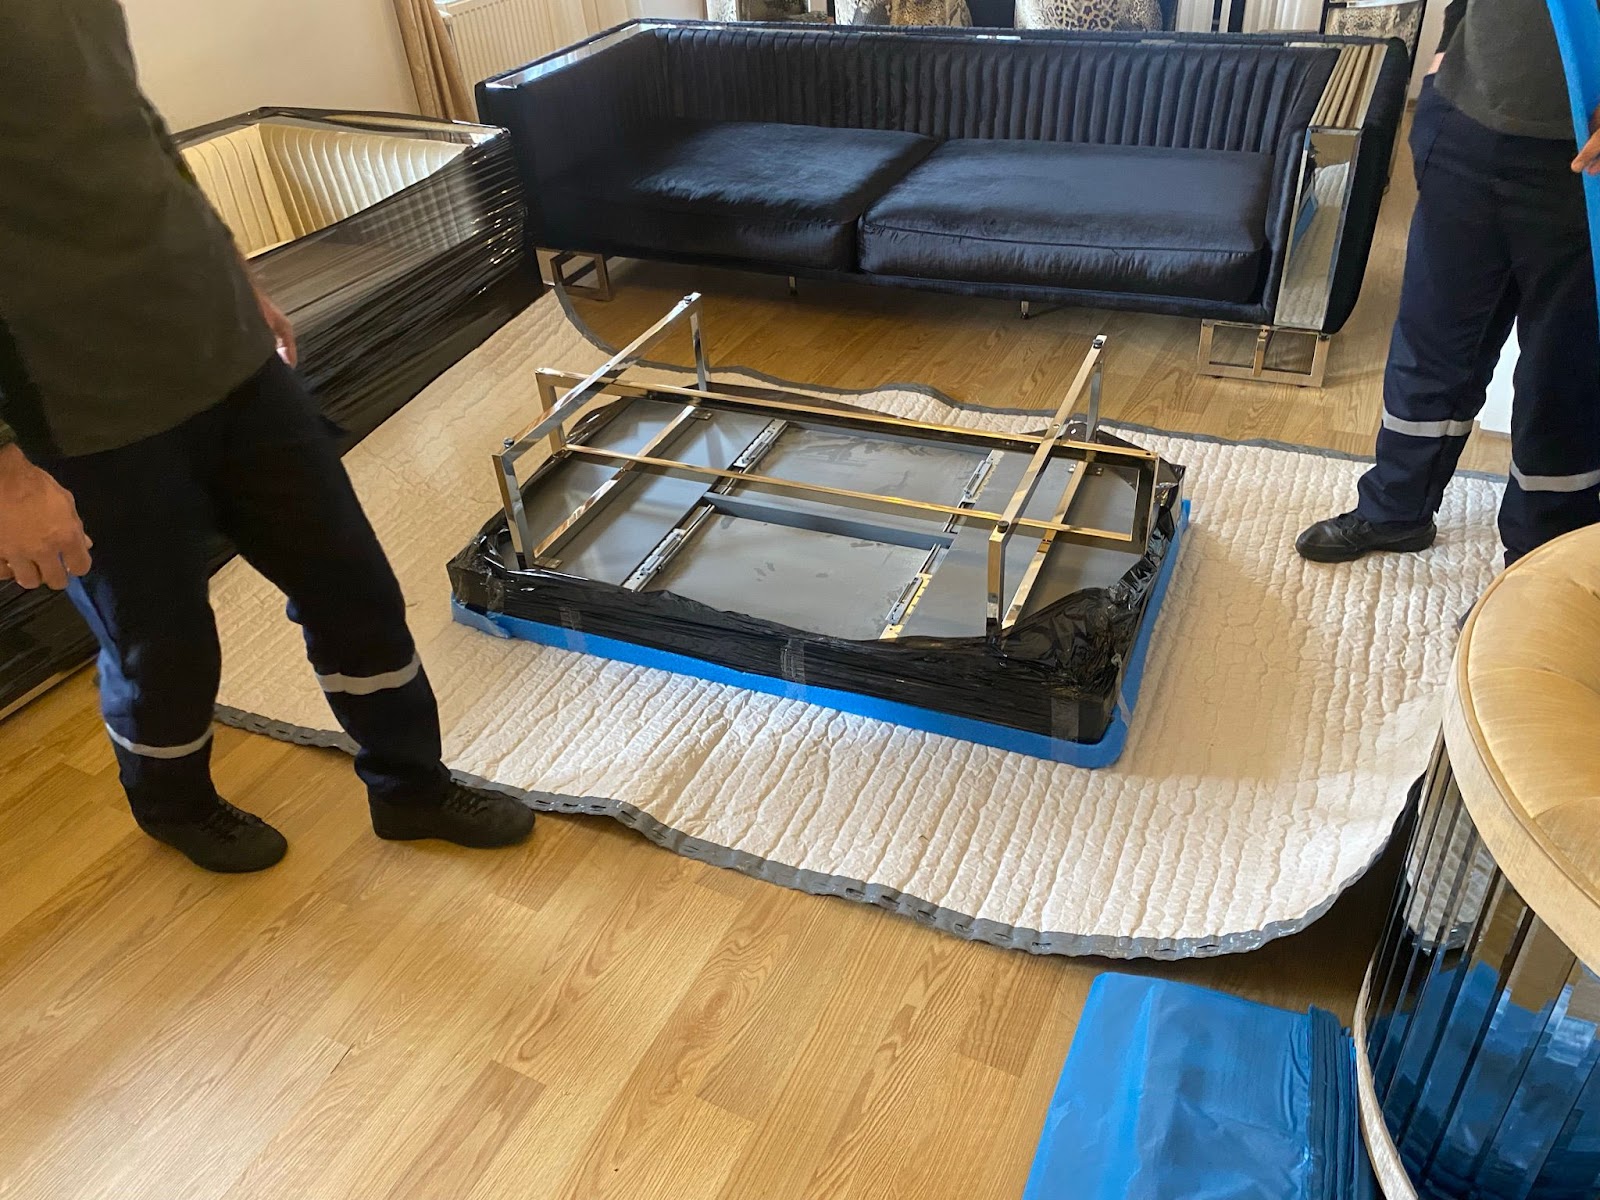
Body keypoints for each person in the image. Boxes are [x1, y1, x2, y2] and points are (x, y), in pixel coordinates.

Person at [0, 2, 535, 872]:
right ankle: (175, 805)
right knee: (162, 646)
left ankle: (411, 786)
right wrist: (6, 471)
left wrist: (232, 270)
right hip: (81, 412)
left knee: (351, 585)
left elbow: (137, 132)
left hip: (229, 358)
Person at [1297, 0, 1600, 567]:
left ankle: (1540, 569)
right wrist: (1442, 64)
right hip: (1465, 127)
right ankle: (1396, 509)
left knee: (1564, 379)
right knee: (1429, 344)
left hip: (1584, 163)